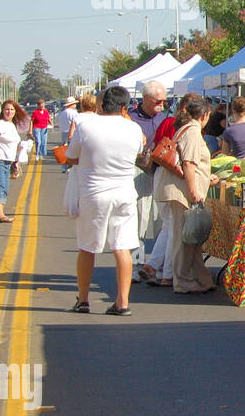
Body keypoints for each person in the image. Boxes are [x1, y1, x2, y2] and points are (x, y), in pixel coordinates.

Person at [64, 86, 145, 315]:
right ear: (124, 107)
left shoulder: (86, 127)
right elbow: (140, 150)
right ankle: (123, 302)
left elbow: (71, 157)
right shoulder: (133, 128)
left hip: (93, 193)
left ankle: (83, 299)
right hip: (124, 193)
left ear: (101, 105)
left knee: (87, 247)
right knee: (122, 247)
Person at [152, 95, 215, 295]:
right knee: (183, 239)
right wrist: (194, 190)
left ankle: (199, 278)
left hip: (180, 189)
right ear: (204, 115)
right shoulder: (193, 133)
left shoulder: (187, 129)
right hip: (182, 192)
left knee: (191, 240)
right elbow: (188, 163)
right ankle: (183, 282)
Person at [144, 97, 190, 288]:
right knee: (173, 227)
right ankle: (167, 273)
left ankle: (155, 265)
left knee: (167, 225)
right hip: (174, 175)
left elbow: (156, 144)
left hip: (160, 173)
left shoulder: (166, 122)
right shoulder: (186, 127)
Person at [128, 81, 168, 276]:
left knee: (160, 219)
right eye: (158, 101)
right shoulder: (130, 119)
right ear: (145, 99)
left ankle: (156, 265)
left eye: (164, 101)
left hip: (160, 171)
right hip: (140, 170)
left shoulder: (164, 118)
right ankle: (135, 266)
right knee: (140, 219)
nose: (161, 105)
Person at [0, 101, 24, 222]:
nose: (9, 112)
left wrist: (15, 162)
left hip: (7, 161)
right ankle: (0, 215)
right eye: (7, 109)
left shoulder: (11, 125)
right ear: (2, 111)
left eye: (12, 110)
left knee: (5, 187)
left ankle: (0, 213)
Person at [58, 96, 79, 173]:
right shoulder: (74, 113)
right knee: (71, 150)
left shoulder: (62, 113)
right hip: (72, 132)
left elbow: (59, 123)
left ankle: (64, 166)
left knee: (64, 149)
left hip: (63, 132)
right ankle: (70, 167)